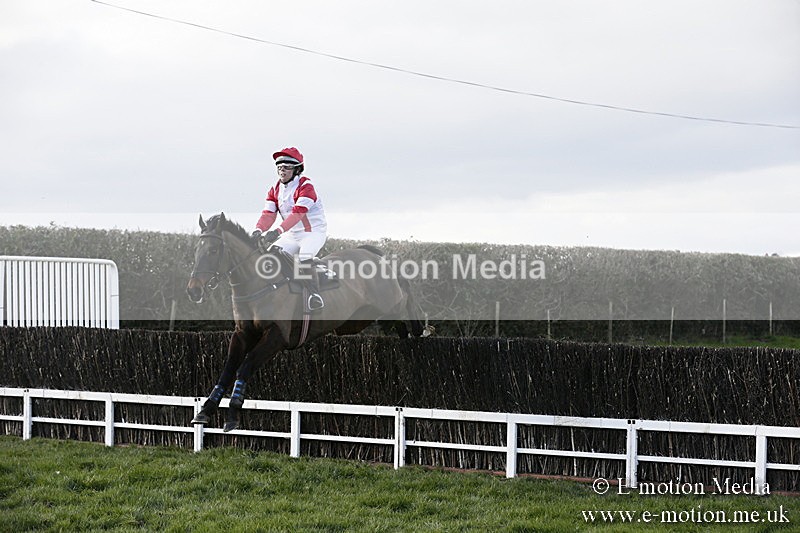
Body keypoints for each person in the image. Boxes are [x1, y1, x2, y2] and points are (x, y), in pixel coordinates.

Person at [251, 147, 327, 311]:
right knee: (270, 257)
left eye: (286, 167)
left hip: (312, 233)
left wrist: (277, 231)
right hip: (292, 235)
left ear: (297, 169)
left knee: (304, 258)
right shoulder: (275, 189)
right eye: (279, 167)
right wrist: (258, 230)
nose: (282, 170)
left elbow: (297, 214)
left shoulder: (306, 187)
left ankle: (314, 295)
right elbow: (268, 214)